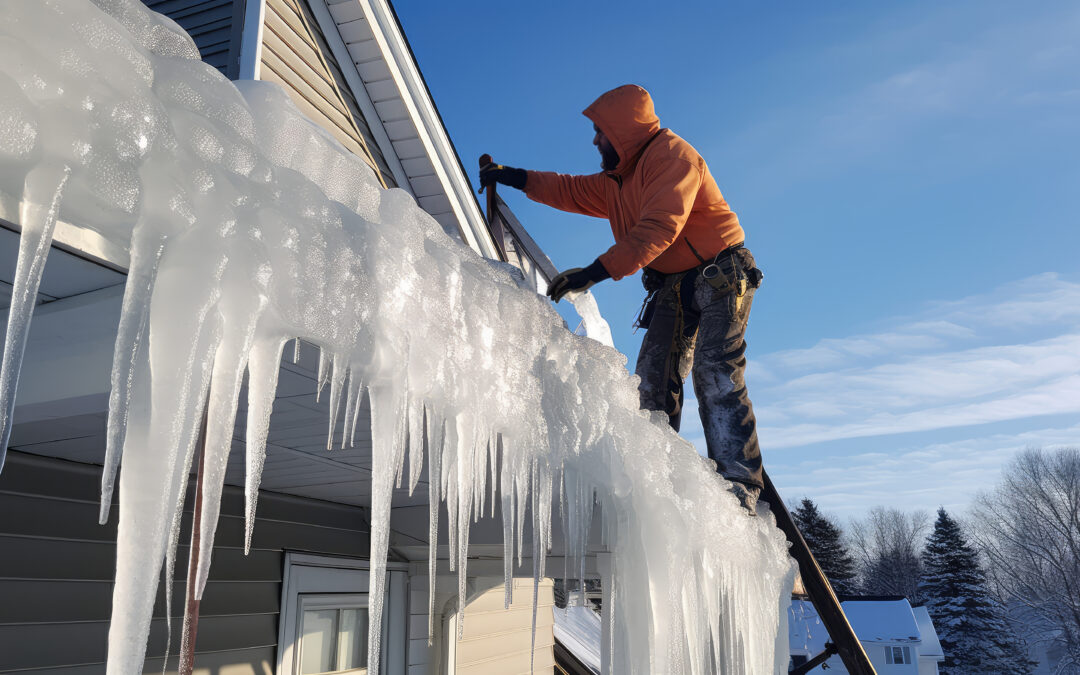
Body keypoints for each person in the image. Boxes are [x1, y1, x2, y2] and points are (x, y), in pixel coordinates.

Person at [480, 84, 765, 514]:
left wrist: (593, 273)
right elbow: (569, 190)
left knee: (714, 368)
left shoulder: (672, 158)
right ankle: (656, 475)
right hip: (671, 284)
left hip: (719, 274)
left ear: (624, 130)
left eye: (600, 131)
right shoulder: (617, 182)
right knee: (651, 379)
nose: (595, 140)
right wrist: (511, 177)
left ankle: (739, 482)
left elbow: (659, 228)